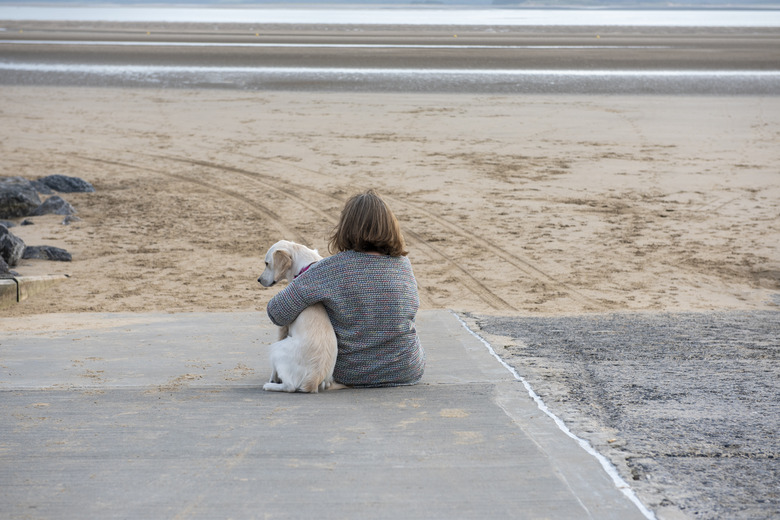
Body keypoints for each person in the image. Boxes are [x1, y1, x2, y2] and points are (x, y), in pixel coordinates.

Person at [266, 189, 425, 388]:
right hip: (406, 368)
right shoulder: (403, 265)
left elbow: (277, 312)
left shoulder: (331, 269)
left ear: (346, 228)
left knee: (307, 303)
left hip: (351, 372)